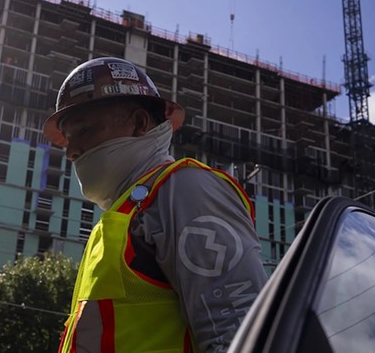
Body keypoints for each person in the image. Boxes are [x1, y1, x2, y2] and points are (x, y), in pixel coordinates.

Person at [43, 57, 268, 352]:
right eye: (68, 141)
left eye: (84, 132)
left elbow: (238, 332)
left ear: (139, 123)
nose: (71, 152)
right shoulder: (124, 216)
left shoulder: (185, 190)